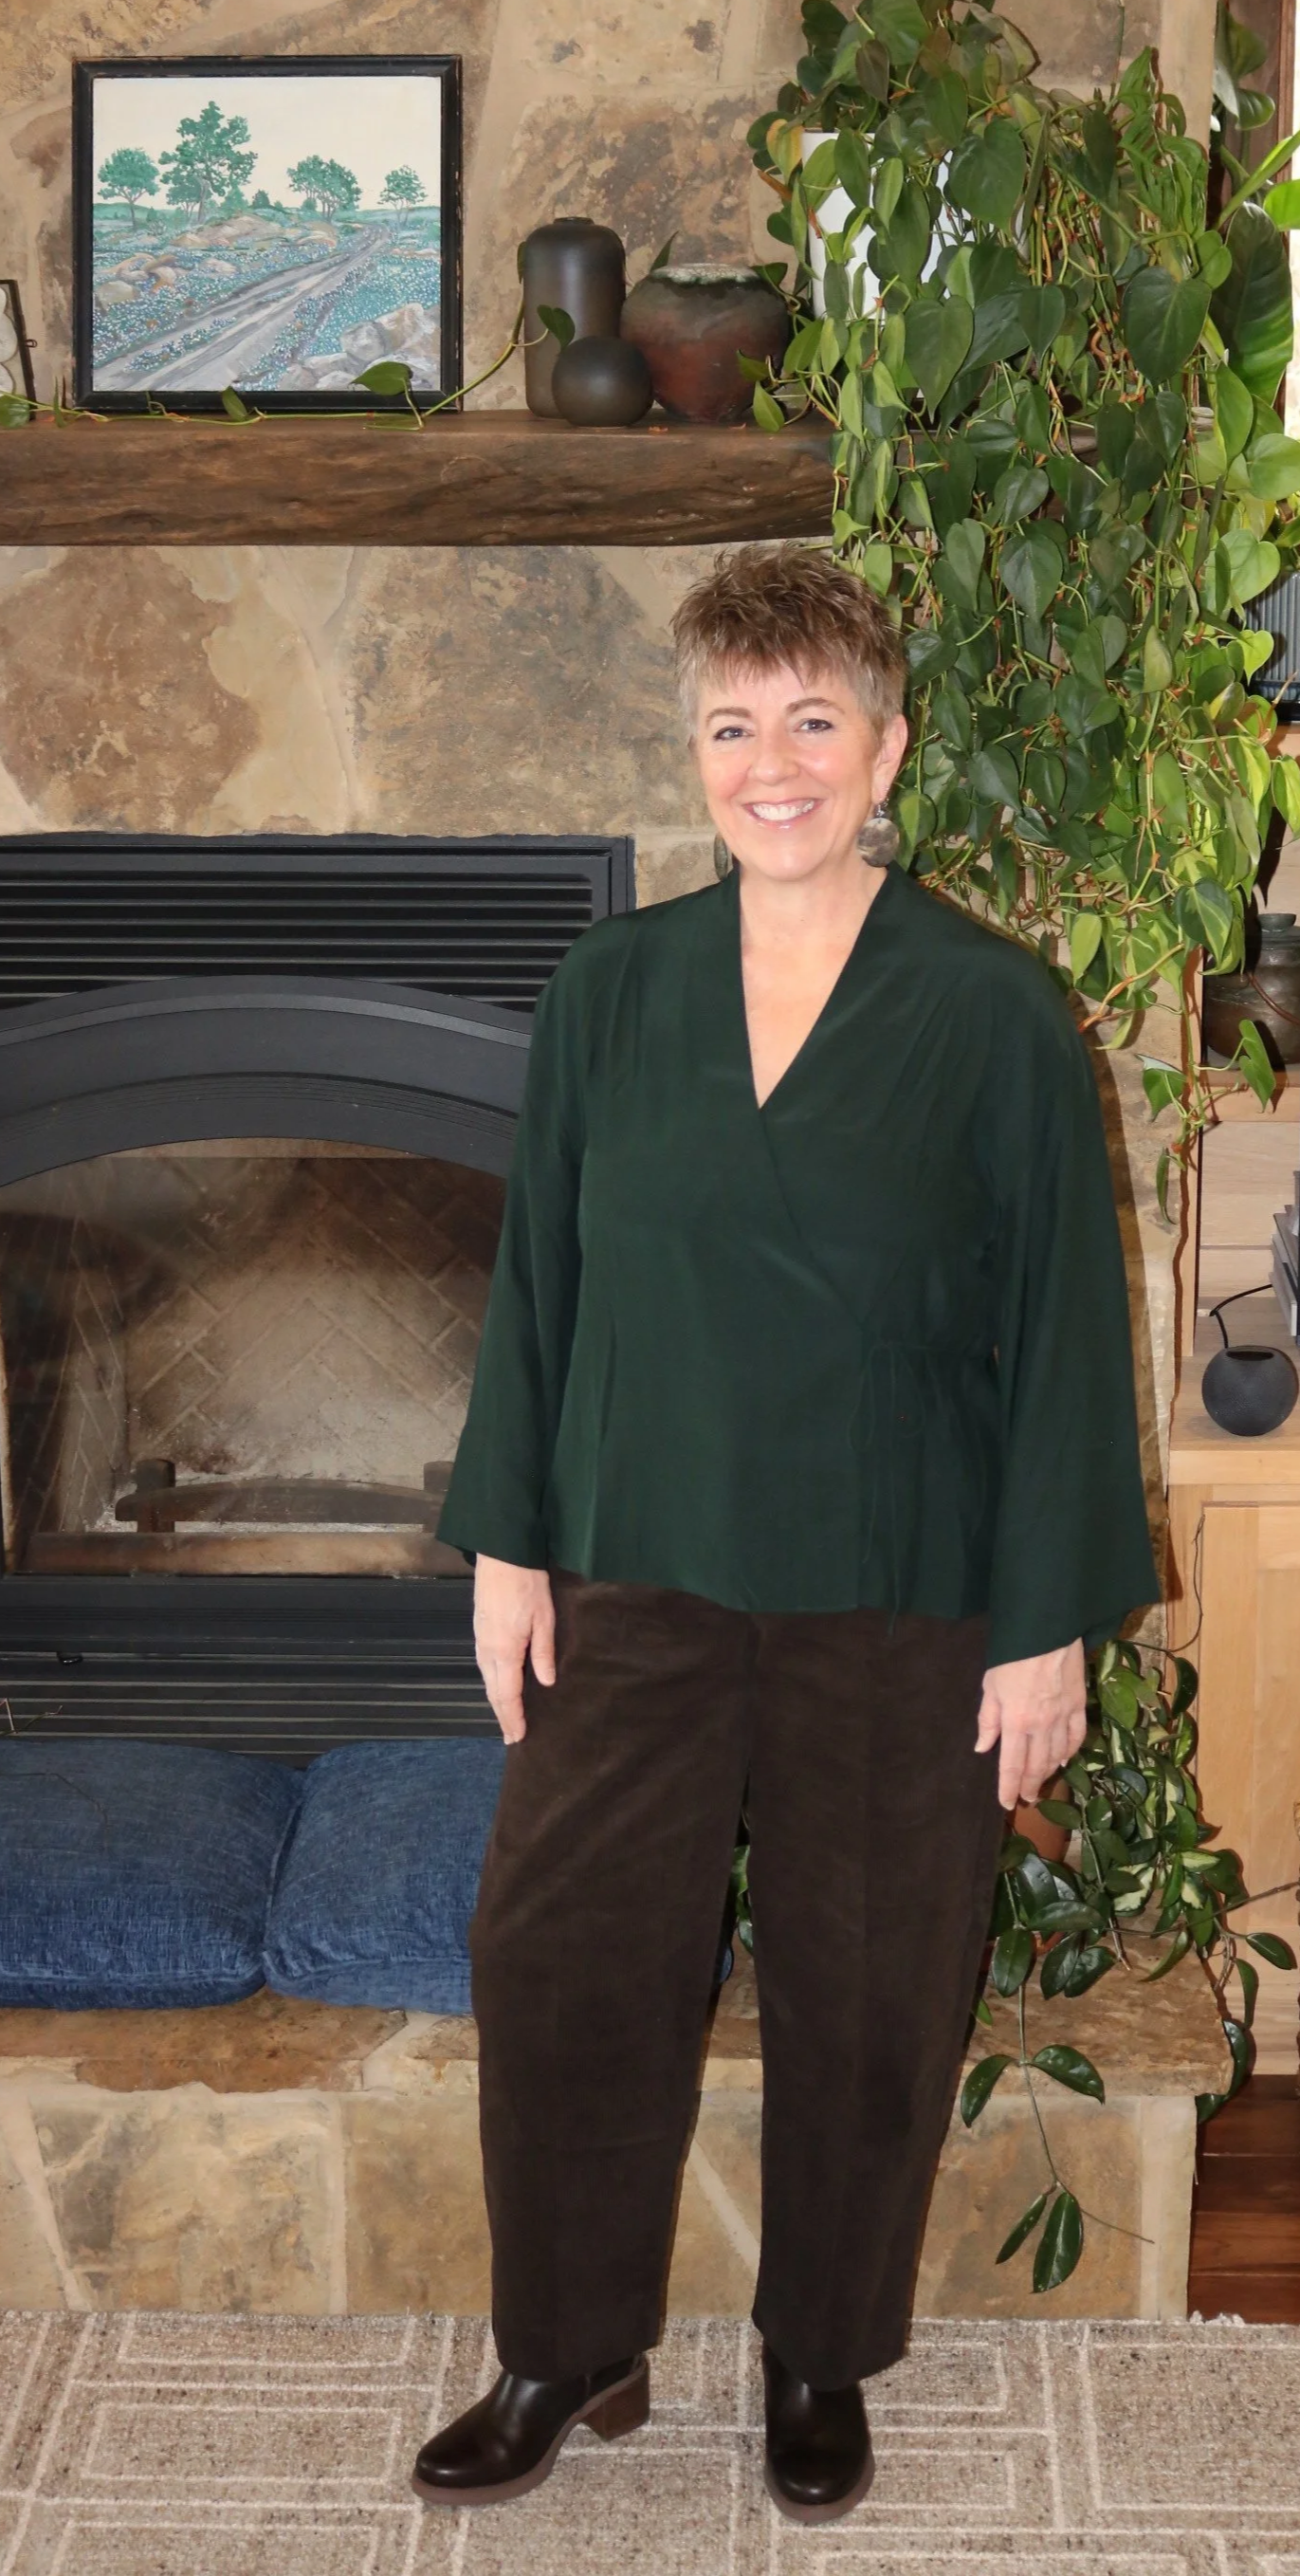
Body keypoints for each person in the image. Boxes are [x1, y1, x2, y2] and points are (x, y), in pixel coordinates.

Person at [410, 543, 1158, 2523]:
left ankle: (814, 2349)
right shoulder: (609, 991)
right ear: (693, 745)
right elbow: (537, 1286)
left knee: (870, 1974)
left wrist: (1042, 1620)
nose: (772, 761)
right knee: (549, 1950)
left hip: (894, 1585)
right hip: (634, 1558)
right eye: (733, 723)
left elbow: (1063, 1332)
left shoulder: (992, 1015)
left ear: (884, 742)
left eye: (812, 719)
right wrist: (502, 1546)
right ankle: (570, 2345)